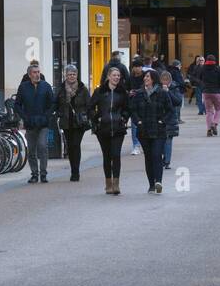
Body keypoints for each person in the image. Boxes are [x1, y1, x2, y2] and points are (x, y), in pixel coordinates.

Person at [130, 69, 174, 194]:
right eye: (145, 77)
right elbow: (132, 110)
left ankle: (158, 182)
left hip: (159, 130)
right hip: (144, 131)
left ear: (153, 79)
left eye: (148, 77)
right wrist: (137, 121)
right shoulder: (139, 94)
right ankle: (151, 184)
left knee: (156, 155)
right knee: (148, 157)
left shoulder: (162, 93)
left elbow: (170, 110)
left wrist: (163, 121)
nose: (145, 79)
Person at [90, 66, 130, 194]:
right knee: (107, 156)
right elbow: (90, 107)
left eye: (118, 76)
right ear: (108, 76)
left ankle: (116, 184)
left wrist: (123, 118)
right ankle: (108, 183)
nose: (117, 77)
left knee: (116, 155)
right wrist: (97, 119)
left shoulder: (122, 92)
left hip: (118, 128)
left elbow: (128, 108)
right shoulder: (100, 91)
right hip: (103, 129)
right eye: (114, 75)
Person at [16, 62, 56, 184]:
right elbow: (17, 104)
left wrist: (47, 116)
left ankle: (43, 174)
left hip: (43, 123)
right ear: (29, 74)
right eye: (34, 72)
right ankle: (34, 174)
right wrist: (24, 117)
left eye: (38, 72)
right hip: (30, 124)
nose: (37, 74)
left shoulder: (46, 86)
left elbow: (53, 104)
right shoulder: (23, 87)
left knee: (43, 146)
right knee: (31, 150)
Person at [52, 63, 91, 181]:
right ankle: (73, 169)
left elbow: (89, 105)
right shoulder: (61, 89)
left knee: (76, 145)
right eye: (69, 74)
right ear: (65, 75)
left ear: (77, 75)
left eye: (74, 74)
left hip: (79, 123)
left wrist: (88, 116)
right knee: (70, 147)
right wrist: (57, 113)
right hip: (66, 122)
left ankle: (76, 172)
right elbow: (56, 103)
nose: (72, 76)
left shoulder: (82, 89)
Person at [198, 54, 220, 137]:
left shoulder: (203, 68)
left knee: (209, 111)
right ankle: (214, 123)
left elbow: (199, 78)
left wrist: (203, 86)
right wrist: (219, 87)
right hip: (216, 92)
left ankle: (209, 130)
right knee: (219, 109)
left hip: (206, 92)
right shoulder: (218, 69)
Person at [162, 72, 183, 168]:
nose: (164, 81)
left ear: (170, 80)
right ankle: (164, 158)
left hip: (171, 118)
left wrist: (168, 92)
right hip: (161, 117)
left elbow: (178, 101)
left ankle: (167, 161)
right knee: (161, 140)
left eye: (166, 79)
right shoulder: (157, 88)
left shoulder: (174, 88)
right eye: (163, 79)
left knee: (168, 139)